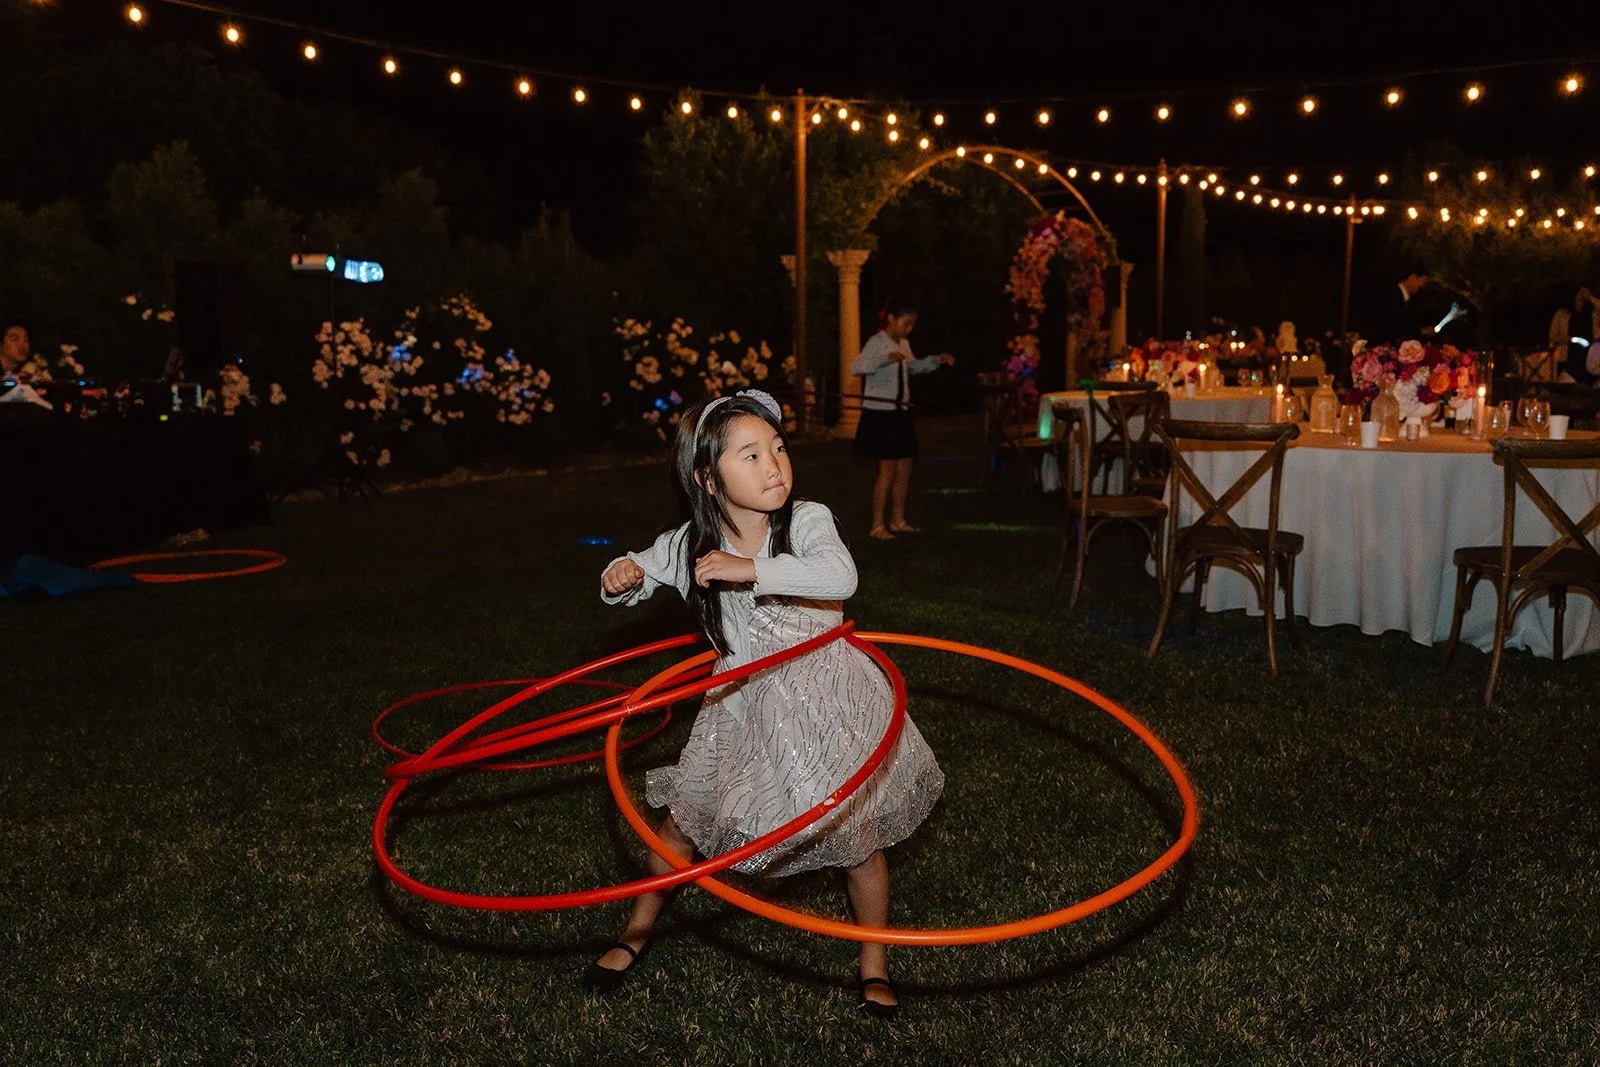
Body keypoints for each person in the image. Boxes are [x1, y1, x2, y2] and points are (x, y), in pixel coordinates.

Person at [588, 390, 944, 1019]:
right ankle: (634, 934)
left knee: (855, 836)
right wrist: (620, 575)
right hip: (742, 706)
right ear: (707, 477)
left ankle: (874, 964)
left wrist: (751, 568)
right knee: (683, 824)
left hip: (826, 700)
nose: (774, 465)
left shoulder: (806, 519)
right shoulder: (692, 543)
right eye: (750, 455)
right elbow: (634, 573)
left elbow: (840, 577)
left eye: (778, 448)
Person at [848, 297, 955, 540]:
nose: (909, 329)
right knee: (887, 468)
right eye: (906, 323)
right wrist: (885, 359)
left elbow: (913, 367)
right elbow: (856, 367)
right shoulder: (877, 342)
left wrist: (936, 360)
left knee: (905, 466)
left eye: (912, 324)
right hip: (882, 414)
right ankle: (877, 525)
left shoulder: (904, 343)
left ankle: (897, 519)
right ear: (892, 320)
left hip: (900, 412)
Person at [1394, 265, 1474, 346]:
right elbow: (1396, 323)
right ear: (1413, 277)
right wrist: (1420, 331)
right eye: (1423, 280)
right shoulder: (1393, 295)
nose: (1423, 286)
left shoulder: (1407, 300)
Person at [1550, 286, 1600, 384]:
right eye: (1579, 293)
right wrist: (1571, 339)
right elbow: (1553, 336)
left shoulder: (1593, 313)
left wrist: (1591, 298)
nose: (1581, 296)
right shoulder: (1562, 313)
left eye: (1585, 293)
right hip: (1568, 356)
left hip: (1588, 357)